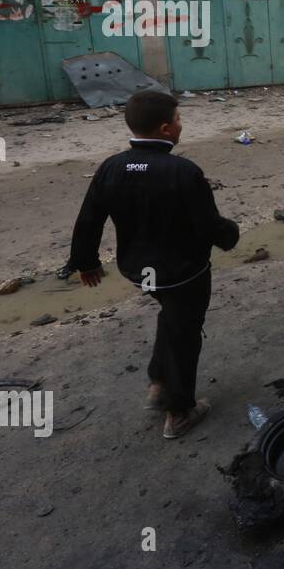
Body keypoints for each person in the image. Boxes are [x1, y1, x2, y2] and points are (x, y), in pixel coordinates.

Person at [67, 90, 239, 439]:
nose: (180, 126)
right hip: (183, 273)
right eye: (178, 120)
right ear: (164, 129)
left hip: (139, 272)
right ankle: (179, 412)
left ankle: (159, 383)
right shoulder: (183, 172)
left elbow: (89, 219)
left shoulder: (111, 167)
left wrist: (86, 262)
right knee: (185, 334)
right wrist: (231, 235)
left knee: (172, 319)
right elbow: (208, 226)